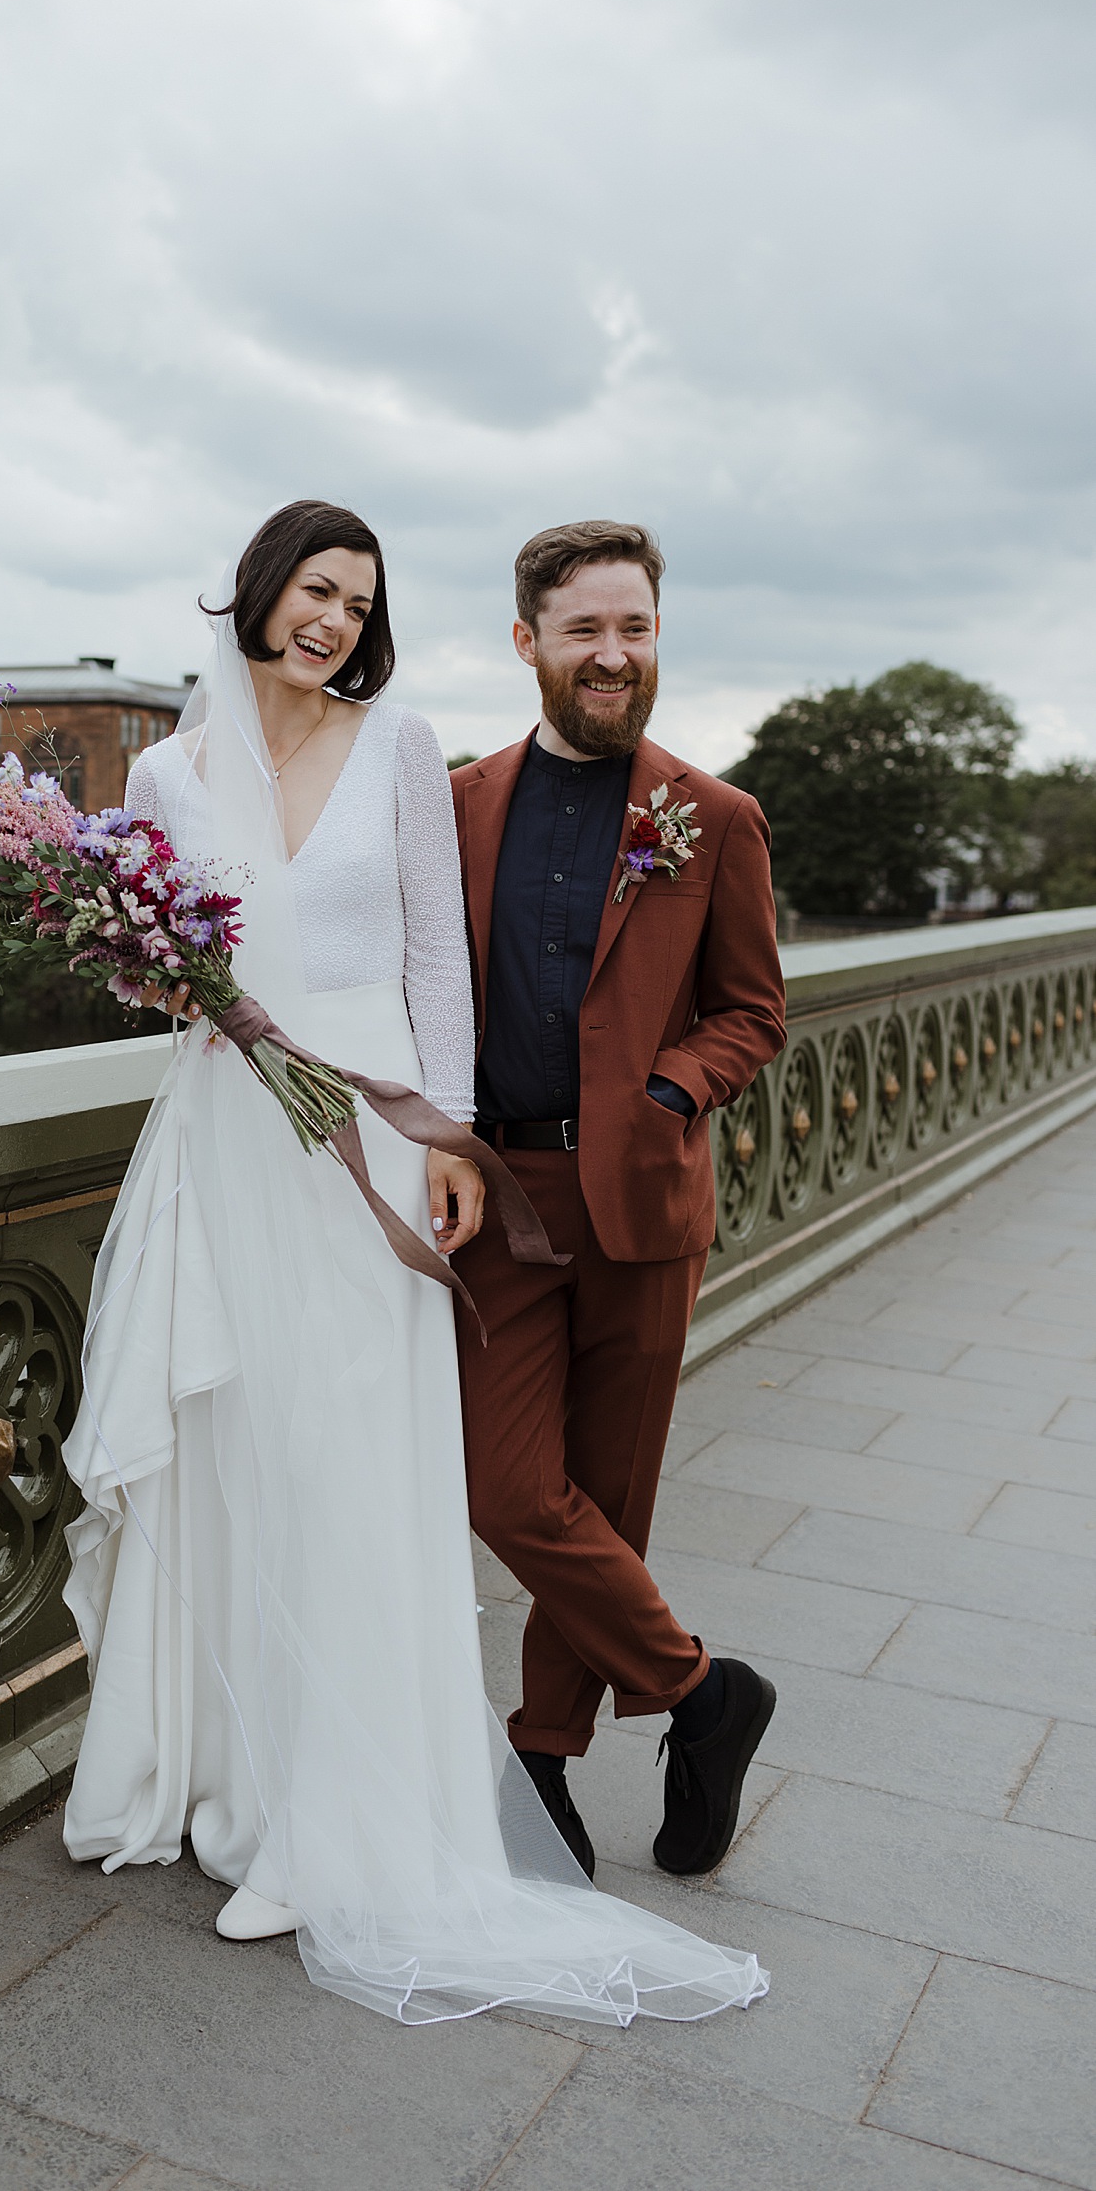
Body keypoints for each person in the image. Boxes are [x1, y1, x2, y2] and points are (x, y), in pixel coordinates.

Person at [60, 499, 767, 2026]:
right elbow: (170, 975)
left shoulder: (487, 764)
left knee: (428, 1477)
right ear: (259, 590)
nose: (331, 619)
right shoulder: (184, 774)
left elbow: (448, 962)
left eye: (356, 601)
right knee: (274, 1458)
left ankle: (487, 1780)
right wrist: (157, 974)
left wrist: (471, 1130)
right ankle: (259, 1782)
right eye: (315, 589)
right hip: (250, 1140)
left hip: (426, 1150)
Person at [453, 519, 786, 1883]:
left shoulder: (714, 815)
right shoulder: (459, 801)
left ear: (658, 639)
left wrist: (667, 1090)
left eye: (635, 627)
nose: (613, 653)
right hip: (499, 1199)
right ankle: (705, 1694)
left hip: (645, 1203)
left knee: (609, 1493)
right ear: (527, 639)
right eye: (586, 628)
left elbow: (755, 1013)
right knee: (509, 1487)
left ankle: (542, 1762)